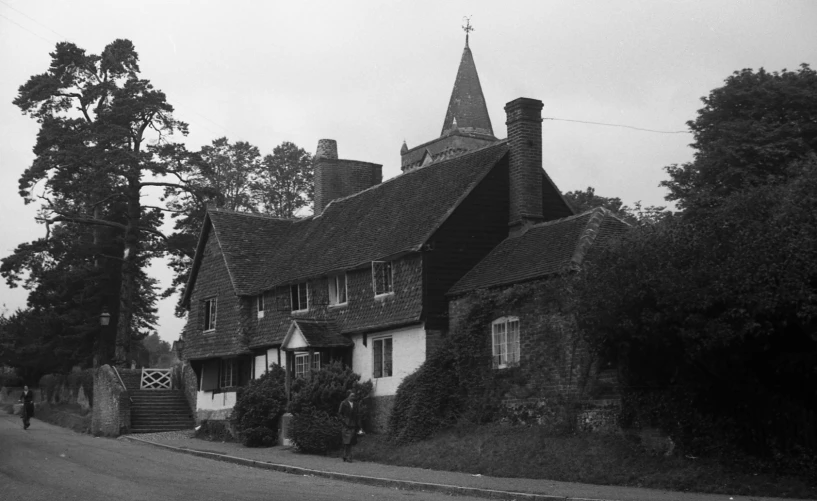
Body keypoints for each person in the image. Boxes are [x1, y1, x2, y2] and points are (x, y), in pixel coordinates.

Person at [337, 389, 363, 462]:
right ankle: (347, 456)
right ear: (348, 396)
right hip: (346, 424)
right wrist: (343, 421)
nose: (353, 397)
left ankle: (346, 455)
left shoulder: (356, 405)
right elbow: (339, 414)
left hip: (353, 424)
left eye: (354, 396)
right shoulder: (343, 403)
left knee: (350, 440)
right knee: (347, 441)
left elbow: (358, 415)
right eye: (351, 396)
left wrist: (359, 426)